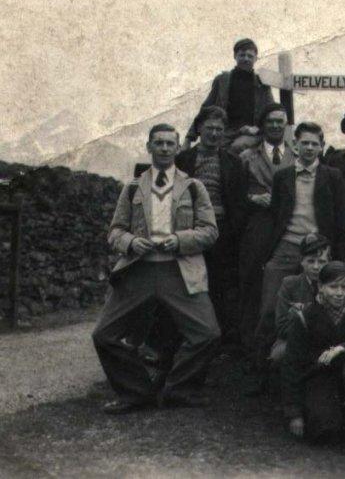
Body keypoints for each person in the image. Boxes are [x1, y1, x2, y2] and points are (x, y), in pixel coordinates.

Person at [92, 124, 220, 414]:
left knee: (208, 334)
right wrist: (131, 242)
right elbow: (115, 232)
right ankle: (136, 393)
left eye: (169, 144)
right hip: (140, 271)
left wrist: (180, 240)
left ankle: (178, 391)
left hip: (180, 271)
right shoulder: (133, 187)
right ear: (149, 147)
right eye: (158, 143)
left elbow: (211, 232)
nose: (164, 148)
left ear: (177, 149)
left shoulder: (193, 188)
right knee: (104, 335)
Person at [256, 122, 345, 363]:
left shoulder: (332, 175)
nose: (309, 148)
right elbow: (276, 215)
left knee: (324, 303)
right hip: (288, 244)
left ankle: (318, 361)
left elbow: (342, 216)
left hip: (320, 249)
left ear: (321, 147)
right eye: (304, 143)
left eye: (315, 144)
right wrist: (269, 252)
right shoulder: (283, 176)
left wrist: (338, 256)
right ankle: (262, 366)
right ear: (295, 146)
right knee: (269, 307)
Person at [174, 106, 247, 346]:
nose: (214, 134)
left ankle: (218, 342)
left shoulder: (233, 163)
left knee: (220, 285)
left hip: (222, 232)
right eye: (209, 128)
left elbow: (238, 202)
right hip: (188, 231)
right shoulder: (182, 160)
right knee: (187, 285)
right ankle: (186, 339)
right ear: (198, 129)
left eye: (219, 129)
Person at [282, 261, 345, 441]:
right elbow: (292, 365)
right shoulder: (305, 317)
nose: (339, 293)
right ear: (320, 286)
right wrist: (294, 413)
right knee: (324, 430)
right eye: (333, 287)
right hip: (317, 376)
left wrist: (344, 347)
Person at [238, 103, 296, 352]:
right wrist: (251, 198)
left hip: (288, 223)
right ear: (262, 125)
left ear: (286, 124)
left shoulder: (296, 154)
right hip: (259, 223)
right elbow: (235, 193)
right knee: (253, 278)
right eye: (270, 121)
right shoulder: (247, 156)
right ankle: (250, 342)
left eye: (279, 121)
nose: (275, 125)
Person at [184, 38, 276, 153]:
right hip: (224, 132)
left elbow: (272, 111)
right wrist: (189, 138)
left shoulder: (261, 83)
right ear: (235, 56)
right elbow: (206, 109)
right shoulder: (223, 80)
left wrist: (258, 129)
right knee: (202, 152)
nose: (246, 59)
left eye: (250, 56)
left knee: (236, 148)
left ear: (256, 58)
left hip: (250, 133)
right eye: (242, 55)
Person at [270, 233, 331, 365]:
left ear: (329, 262)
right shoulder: (290, 284)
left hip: (327, 341)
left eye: (321, 261)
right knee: (279, 353)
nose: (316, 267)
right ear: (302, 261)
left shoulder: (334, 285)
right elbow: (281, 327)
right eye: (310, 261)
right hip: (294, 338)